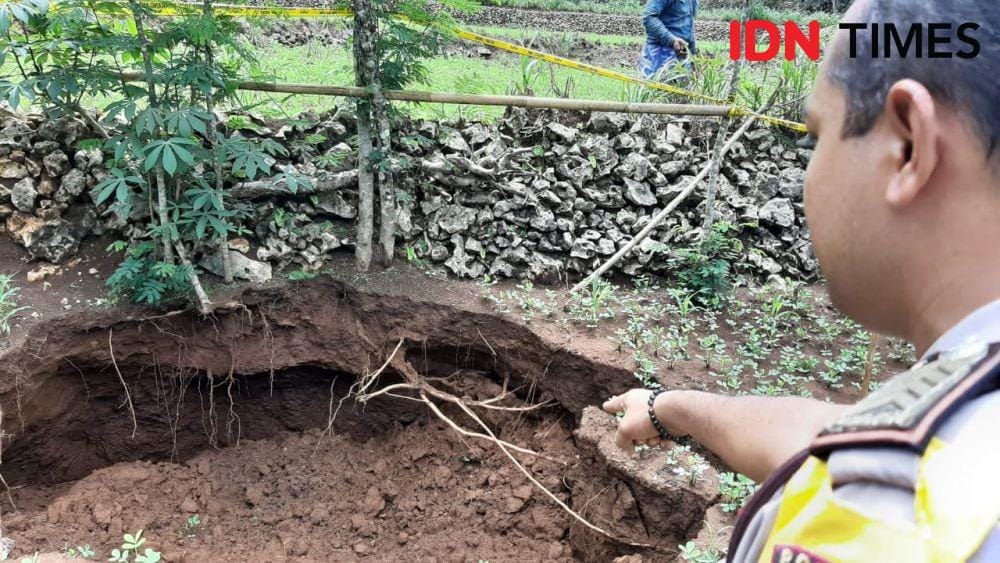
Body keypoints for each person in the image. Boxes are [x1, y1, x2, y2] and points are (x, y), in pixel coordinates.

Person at [604, 0, 1000, 560]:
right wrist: (676, 407)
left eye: (817, 135)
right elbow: (848, 431)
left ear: (908, 146)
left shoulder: (876, 523)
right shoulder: (971, 415)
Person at [640, 0, 697, 79]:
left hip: (683, 55)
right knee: (655, 89)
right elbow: (649, 17)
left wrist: (693, 55)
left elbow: (689, 25)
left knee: (680, 90)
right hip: (659, 55)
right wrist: (671, 40)